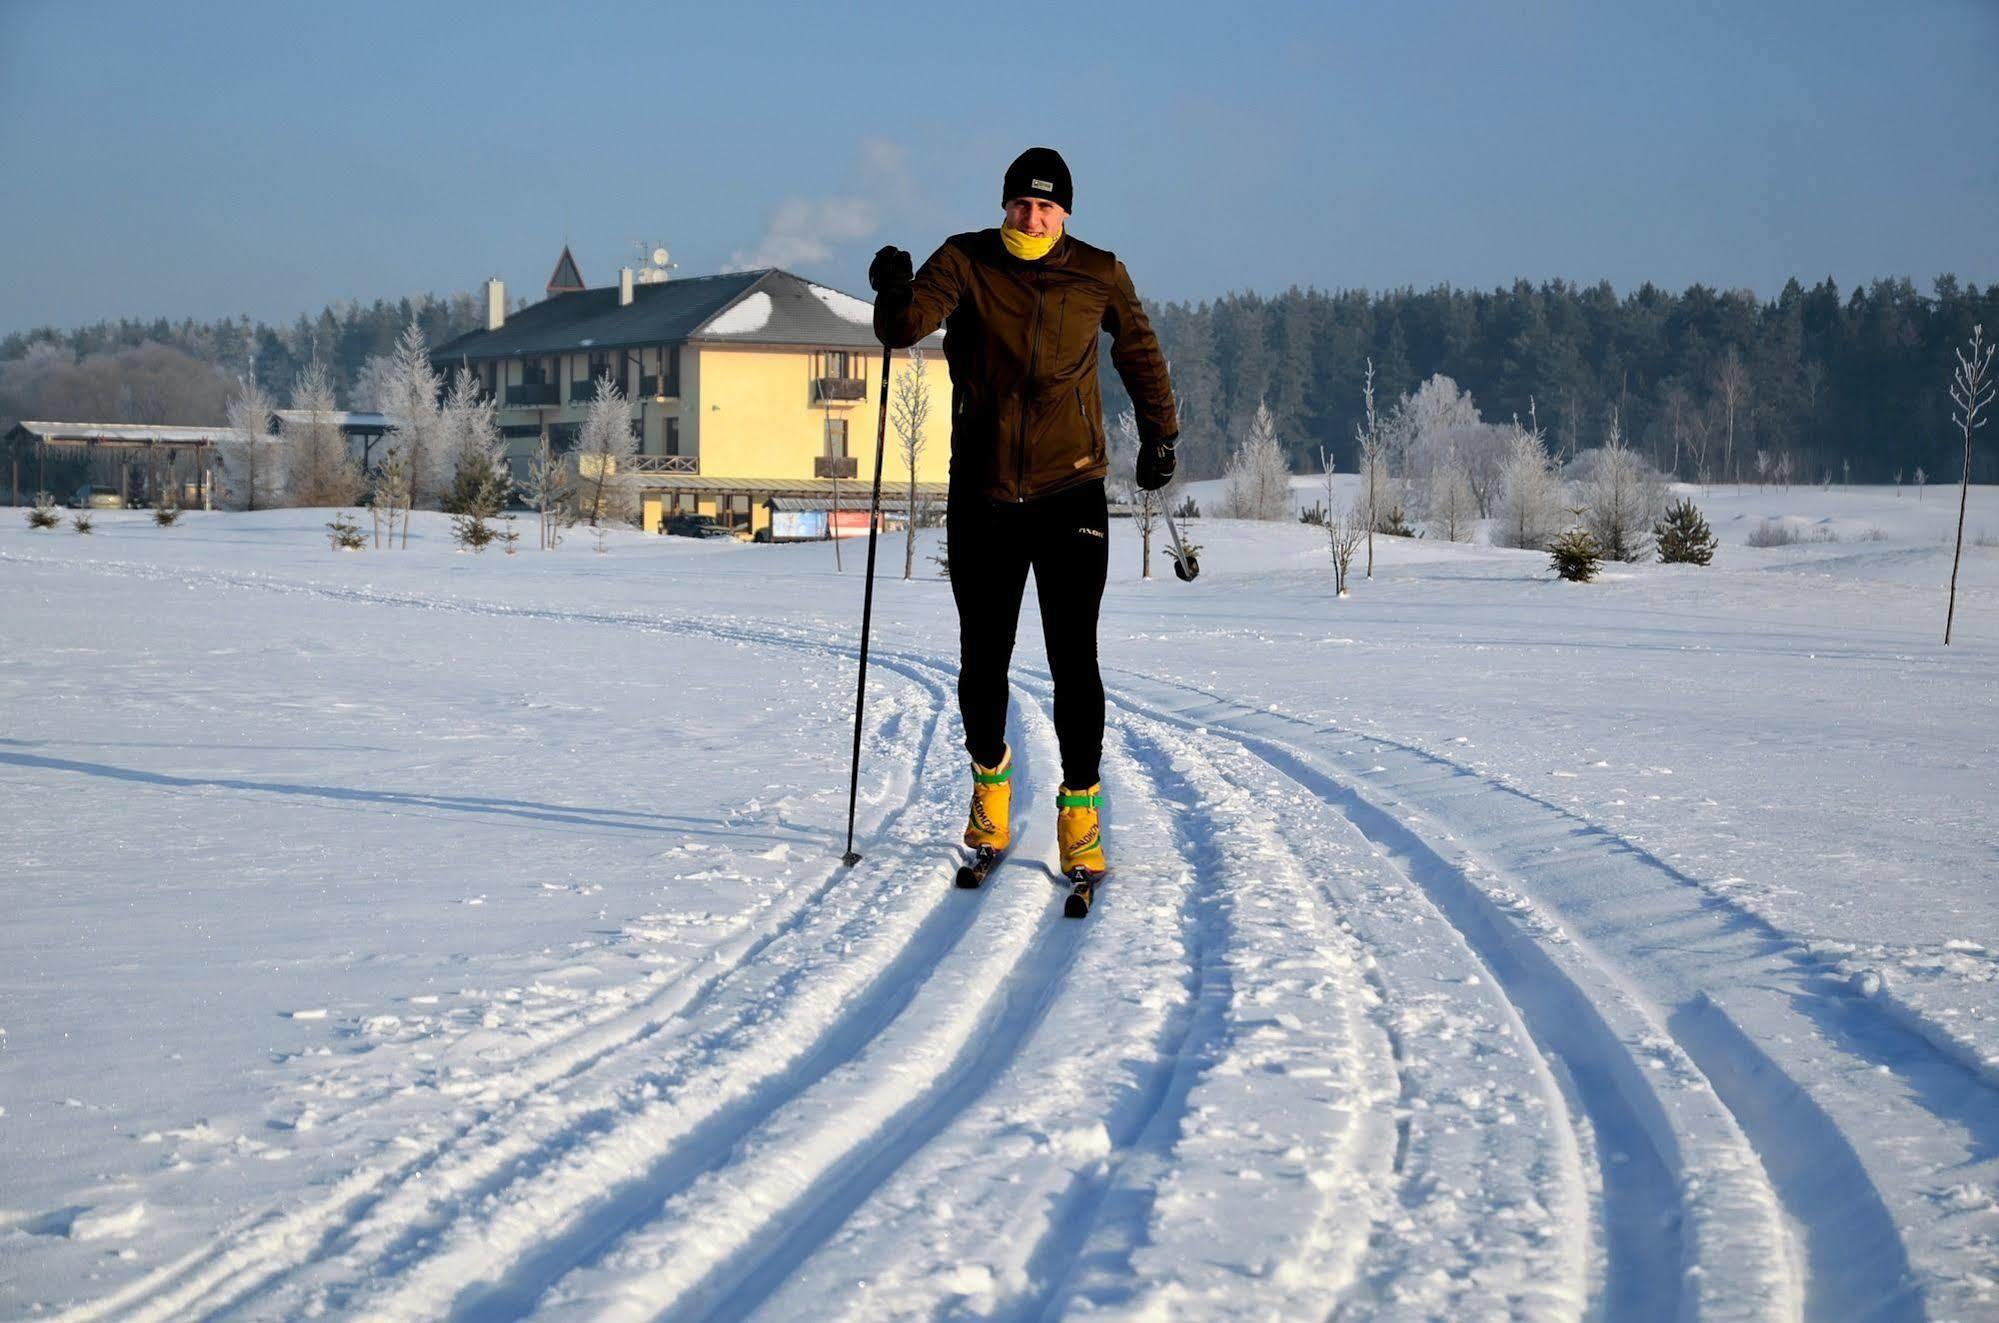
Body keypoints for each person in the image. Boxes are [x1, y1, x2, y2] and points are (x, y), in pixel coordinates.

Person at [871, 146, 1179, 898]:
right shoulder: (965, 259)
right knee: (982, 663)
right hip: (981, 495)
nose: (1030, 216)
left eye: (1044, 206)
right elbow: (906, 327)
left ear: (1065, 212)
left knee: (1075, 661)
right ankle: (990, 801)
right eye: (1019, 204)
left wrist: (1160, 433)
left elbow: (1137, 348)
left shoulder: (1097, 270)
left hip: (1069, 491)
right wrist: (890, 289)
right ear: (1003, 204)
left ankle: (1080, 816)